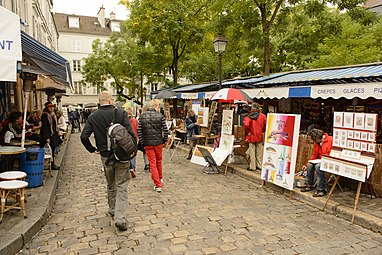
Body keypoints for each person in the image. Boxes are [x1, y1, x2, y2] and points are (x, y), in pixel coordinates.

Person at [80, 91, 136, 231]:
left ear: (100, 102)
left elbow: (83, 136)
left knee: (111, 184)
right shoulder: (120, 113)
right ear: (111, 101)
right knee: (122, 185)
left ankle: (112, 209)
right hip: (122, 156)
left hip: (105, 156)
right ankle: (120, 218)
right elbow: (131, 135)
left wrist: (92, 149)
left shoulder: (93, 116)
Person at [138, 99, 168, 192]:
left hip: (148, 143)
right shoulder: (160, 116)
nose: (159, 108)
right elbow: (165, 130)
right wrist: (164, 140)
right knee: (158, 161)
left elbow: (139, 132)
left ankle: (157, 182)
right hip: (158, 142)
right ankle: (160, 179)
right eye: (158, 106)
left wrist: (143, 142)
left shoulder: (142, 117)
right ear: (155, 106)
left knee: (152, 163)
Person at [301, 128, 333, 197]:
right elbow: (314, 155)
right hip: (320, 160)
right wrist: (306, 164)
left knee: (318, 166)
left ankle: (321, 189)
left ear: (317, 137)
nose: (314, 142)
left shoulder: (330, 140)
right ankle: (308, 184)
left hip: (328, 160)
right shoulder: (317, 142)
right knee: (310, 165)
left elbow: (330, 153)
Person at [243, 102, 267, 171]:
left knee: (252, 151)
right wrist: (262, 130)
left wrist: (248, 132)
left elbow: (246, 125)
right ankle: (259, 165)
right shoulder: (262, 116)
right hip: (259, 135)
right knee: (259, 151)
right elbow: (265, 125)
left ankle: (252, 166)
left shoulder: (248, 116)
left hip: (251, 135)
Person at [39, 102, 61, 170]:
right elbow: (45, 127)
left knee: (53, 149)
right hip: (49, 135)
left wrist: (58, 132)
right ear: (47, 108)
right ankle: (50, 164)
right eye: (50, 107)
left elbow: (54, 125)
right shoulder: (45, 115)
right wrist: (47, 137)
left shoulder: (52, 115)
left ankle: (52, 163)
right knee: (49, 150)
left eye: (52, 107)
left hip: (53, 134)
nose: (51, 108)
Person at [125, 107, 138, 178]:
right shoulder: (134, 120)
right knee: (133, 154)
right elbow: (138, 129)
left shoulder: (124, 121)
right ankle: (133, 167)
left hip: (126, 139)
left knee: (127, 153)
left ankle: (128, 167)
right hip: (134, 139)